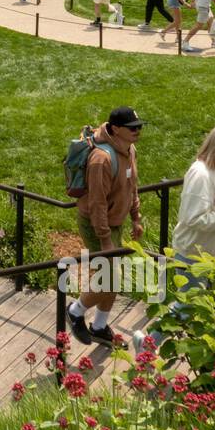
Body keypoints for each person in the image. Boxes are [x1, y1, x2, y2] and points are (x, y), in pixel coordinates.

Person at [134, 123, 215, 352]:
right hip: (194, 252)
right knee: (187, 306)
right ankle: (147, 342)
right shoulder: (200, 175)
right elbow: (194, 219)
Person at [68, 107, 145, 345]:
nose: (138, 131)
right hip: (96, 225)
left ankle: (99, 326)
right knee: (110, 279)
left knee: (111, 278)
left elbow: (132, 185)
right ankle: (75, 311)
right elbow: (97, 204)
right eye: (132, 128)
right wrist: (104, 238)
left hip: (115, 222)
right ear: (116, 129)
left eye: (139, 126)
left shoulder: (129, 149)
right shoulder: (101, 159)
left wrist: (135, 216)